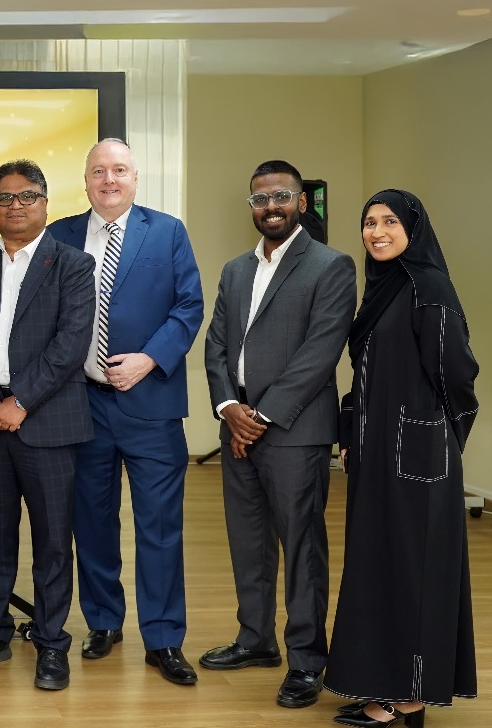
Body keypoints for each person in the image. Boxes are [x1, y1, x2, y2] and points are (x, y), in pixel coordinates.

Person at [46, 137, 204, 685]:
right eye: (98, 171)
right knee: (91, 521)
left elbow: (189, 306)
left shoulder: (168, 231)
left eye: (119, 170)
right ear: (86, 180)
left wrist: (149, 359)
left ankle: (163, 638)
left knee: (159, 526)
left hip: (151, 403)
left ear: (135, 177)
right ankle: (103, 622)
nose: (108, 180)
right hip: (81, 402)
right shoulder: (60, 234)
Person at [200, 161, 357, 708]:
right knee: (248, 541)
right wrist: (229, 408)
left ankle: (307, 660)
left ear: (301, 202)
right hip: (237, 427)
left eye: (281, 197)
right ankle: (256, 640)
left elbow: (320, 352)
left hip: (294, 431)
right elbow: (216, 345)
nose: (270, 207)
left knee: (302, 547)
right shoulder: (235, 270)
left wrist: (261, 416)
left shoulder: (331, 266)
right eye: (260, 199)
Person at [324, 190, 479, 727]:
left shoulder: (428, 286)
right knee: (380, 565)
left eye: (390, 221)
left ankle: (410, 697)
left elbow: (457, 372)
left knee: (415, 569)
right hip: (376, 455)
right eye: (369, 222)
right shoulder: (382, 289)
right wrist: (352, 430)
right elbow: (364, 374)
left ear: (414, 228)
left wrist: (440, 434)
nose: (377, 231)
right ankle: (385, 680)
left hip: (418, 457)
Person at [0, 161, 95, 690]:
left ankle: (51, 641)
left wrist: (21, 401)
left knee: (53, 541)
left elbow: (71, 343)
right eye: (4, 197)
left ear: (45, 203)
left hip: (48, 423)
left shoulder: (73, 264)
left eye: (27, 196)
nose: (15, 205)